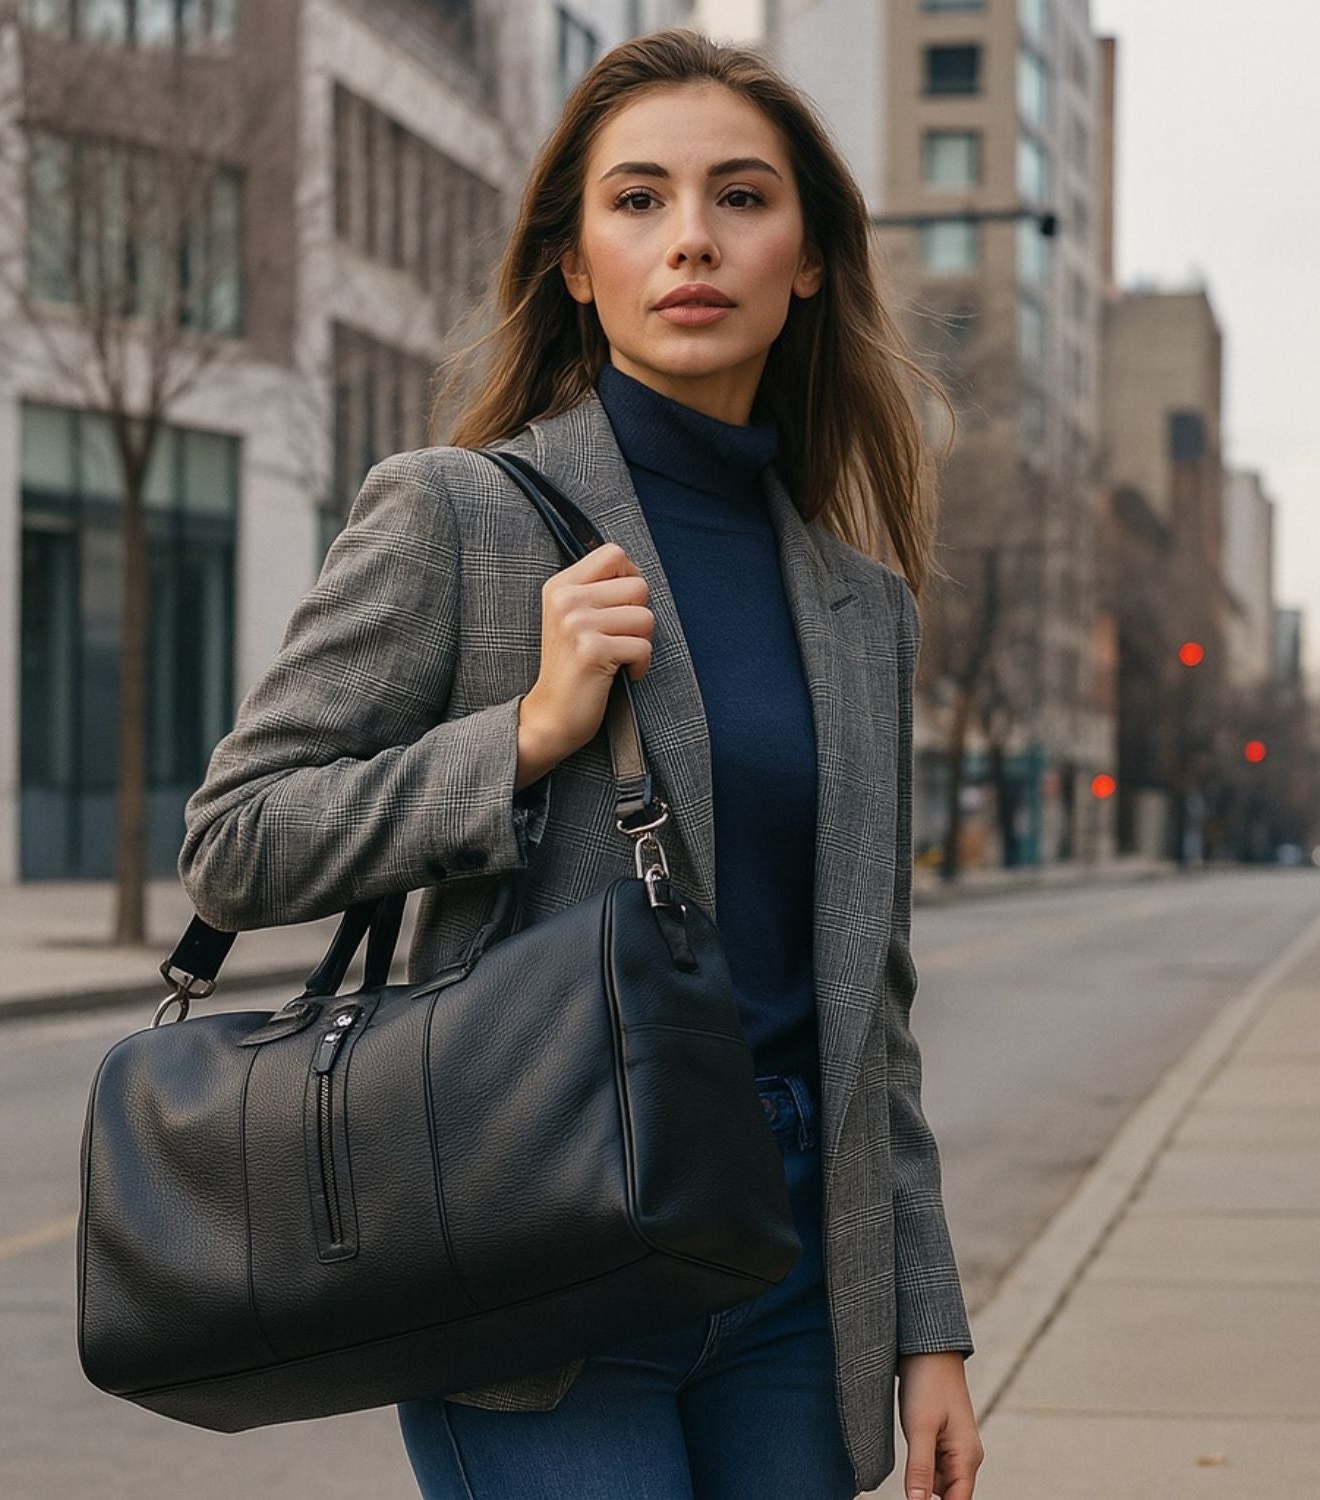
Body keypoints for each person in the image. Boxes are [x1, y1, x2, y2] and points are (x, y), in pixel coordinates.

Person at [176, 25, 983, 1500]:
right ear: (573, 260)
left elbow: (872, 996)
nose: (693, 239)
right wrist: (523, 738)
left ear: (809, 259)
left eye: (742, 198)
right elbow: (238, 840)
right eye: (639, 199)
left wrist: (926, 1321)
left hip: (796, 1268)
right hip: (532, 1228)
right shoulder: (457, 516)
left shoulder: (863, 608)